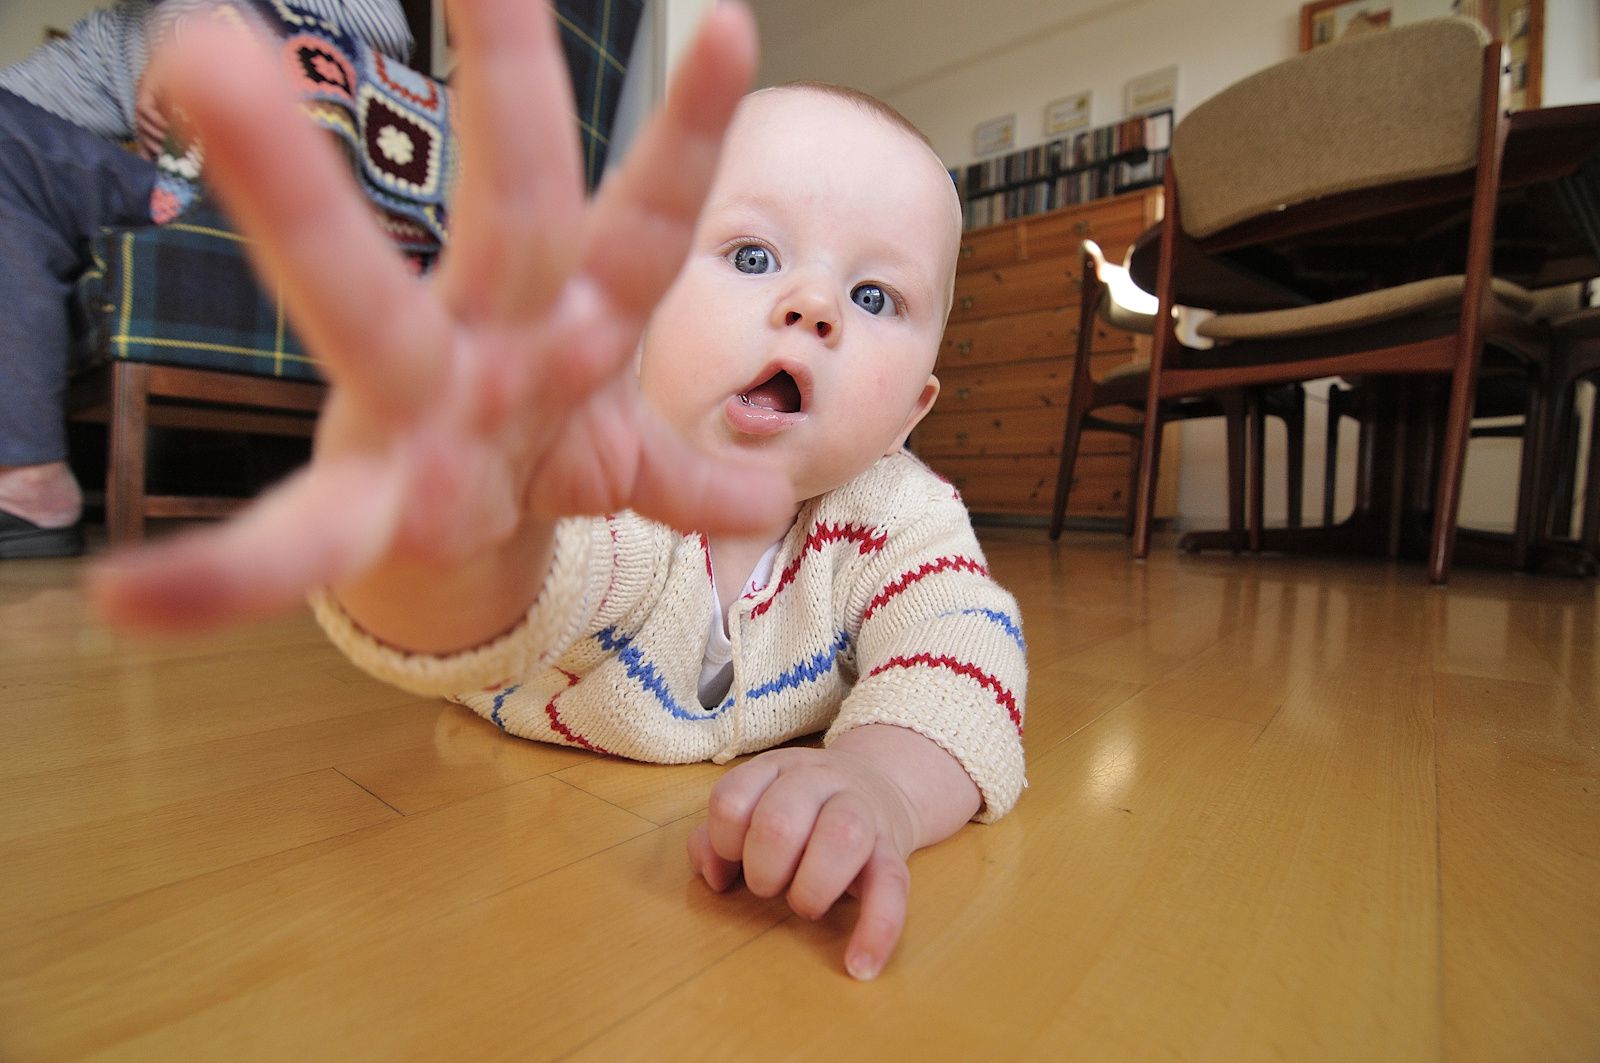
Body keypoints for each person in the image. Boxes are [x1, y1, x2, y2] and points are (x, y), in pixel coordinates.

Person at [91, 0, 1028, 982]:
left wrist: (879, 779)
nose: (812, 307)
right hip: (485, 881)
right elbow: (532, 584)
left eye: (875, 297)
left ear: (913, 408)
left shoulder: (899, 512)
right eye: (753, 256)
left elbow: (961, 652)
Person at [0, 0, 413, 558]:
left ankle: (26, 473)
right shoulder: (113, 35)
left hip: (270, 192)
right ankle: (24, 474)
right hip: (165, 193)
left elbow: (386, 26)